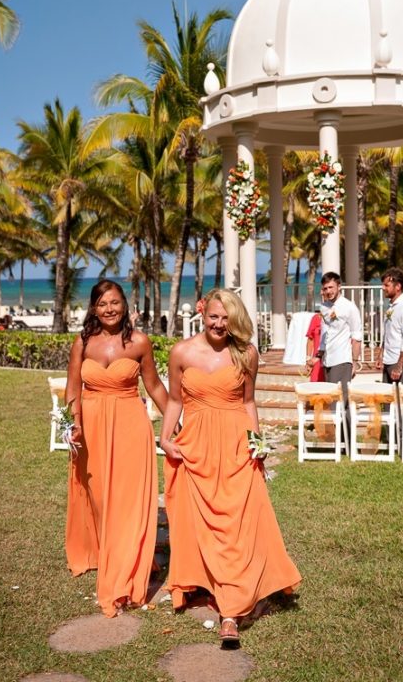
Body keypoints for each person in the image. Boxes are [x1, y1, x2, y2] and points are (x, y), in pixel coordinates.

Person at [160, 288, 301, 645]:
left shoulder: (246, 353)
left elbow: (249, 402)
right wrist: (164, 438)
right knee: (204, 525)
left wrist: (257, 443)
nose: (220, 324)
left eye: (227, 318)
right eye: (214, 316)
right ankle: (209, 582)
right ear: (203, 313)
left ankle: (231, 611)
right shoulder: (181, 352)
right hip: (196, 447)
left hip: (237, 446)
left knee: (237, 525)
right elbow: (175, 399)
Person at [65, 279, 168, 617]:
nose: (109, 309)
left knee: (127, 500)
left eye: (115, 302)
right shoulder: (82, 342)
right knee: (100, 500)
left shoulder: (139, 342)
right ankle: (115, 553)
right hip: (91, 429)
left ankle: (125, 573)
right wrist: (73, 423)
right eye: (102, 303)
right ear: (94, 308)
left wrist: (175, 421)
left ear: (125, 304)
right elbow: (73, 389)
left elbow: (154, 386)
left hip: (129, 427)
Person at [305, 273, 362, 413]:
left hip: (342, 360)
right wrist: (317, 356)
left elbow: (356, 337)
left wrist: (355, 363)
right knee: (333, 401)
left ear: (339, 286)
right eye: (325, 288)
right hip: (327, 361)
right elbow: (325, 335)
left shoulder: (349, 307)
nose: (328, 291)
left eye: (331, 287)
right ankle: (339, 427)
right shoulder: (324, 307)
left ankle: (345, 428)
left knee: (341, 401)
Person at [375, 267, 403, 443]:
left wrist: (400, 366)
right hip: (389, 359)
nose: (383, 288)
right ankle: (392, 439)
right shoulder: (392, 306)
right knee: (388, 402)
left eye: (386, 285)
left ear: (398, 286)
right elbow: (388, 334)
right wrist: (381, 355)